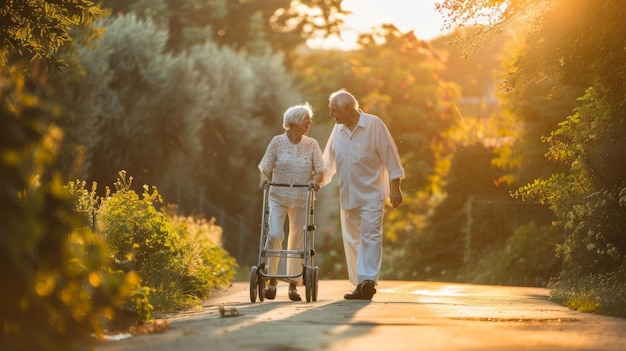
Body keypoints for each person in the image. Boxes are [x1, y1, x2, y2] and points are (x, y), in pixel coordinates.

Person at [320, 89, 405, 300]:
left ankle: (367, 280)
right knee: (352, 240)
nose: (331, 114)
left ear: (348, 109)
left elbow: (391, 155)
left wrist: (395, 187)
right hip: (348, 195)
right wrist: (315, 182)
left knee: (371, 235)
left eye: (334, 110)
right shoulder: (337, 130)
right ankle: (360, 283)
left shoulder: (374, 125)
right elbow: (328, 161)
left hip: (372, 194)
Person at [258, 102, 324, 301]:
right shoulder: (277, 142)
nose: (310, 123)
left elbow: (320, 170)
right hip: (278, 195)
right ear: (295, 122)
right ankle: (272, 280)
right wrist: (264, 180)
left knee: (297, 240)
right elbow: (265, 167)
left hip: (301, 197)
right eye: (306, 120)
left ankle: (294, 285)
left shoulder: (312, 144)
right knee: (275, 235)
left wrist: (314, 181)